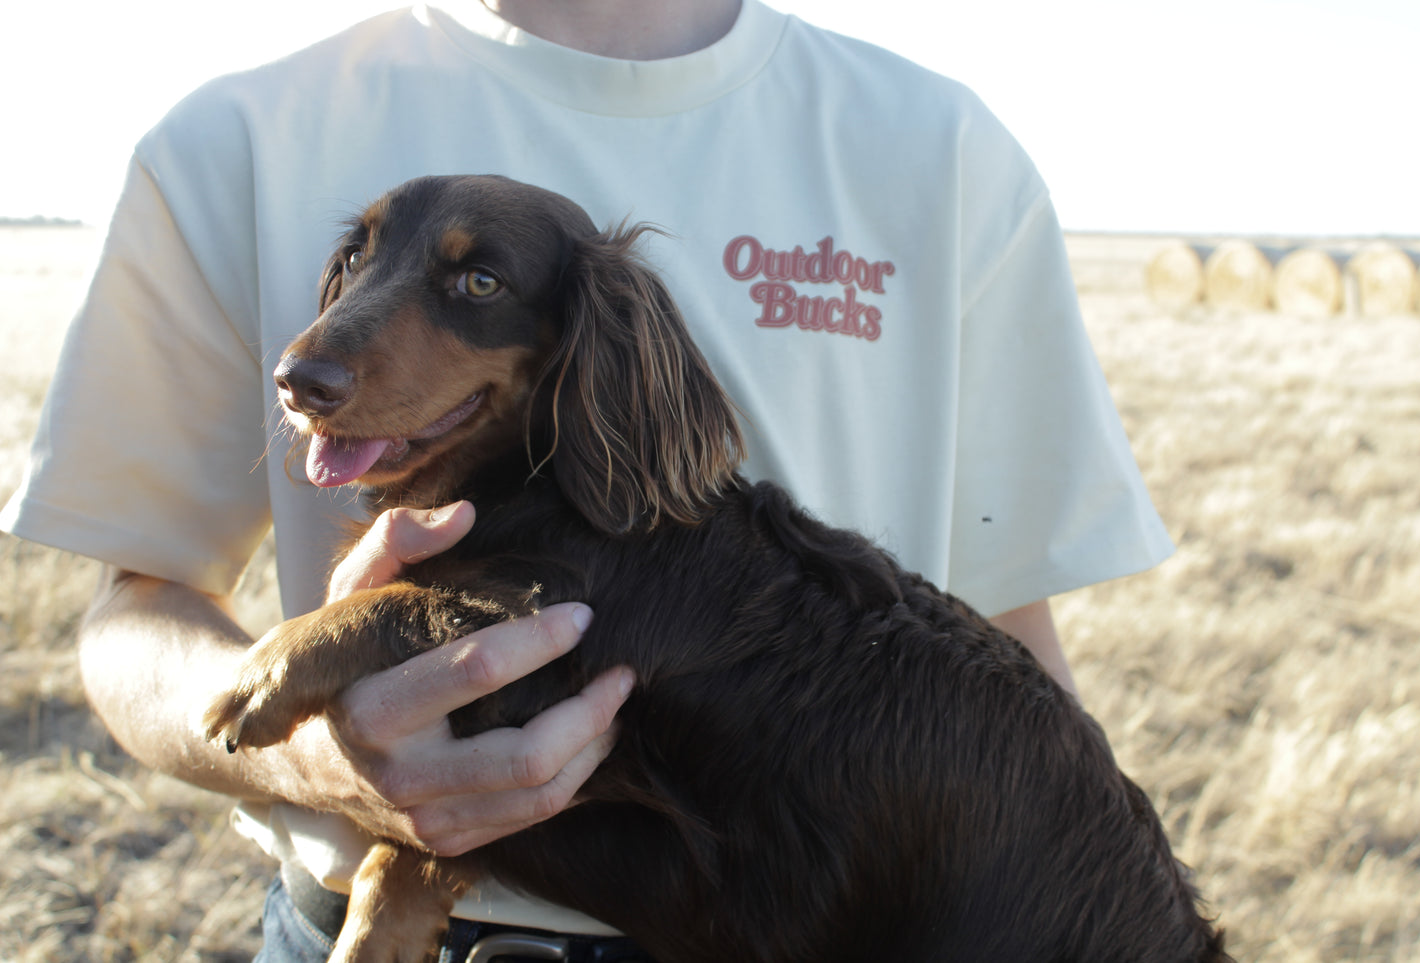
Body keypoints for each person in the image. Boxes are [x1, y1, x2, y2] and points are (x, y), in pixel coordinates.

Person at [0, 0, 1174, 959]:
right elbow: (132, 608)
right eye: (354, 261)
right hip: (379, 933)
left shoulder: (941, 146)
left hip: (820, 928)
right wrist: (315, 758)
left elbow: (1009, 639)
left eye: (468, 283)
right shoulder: (239, 133)